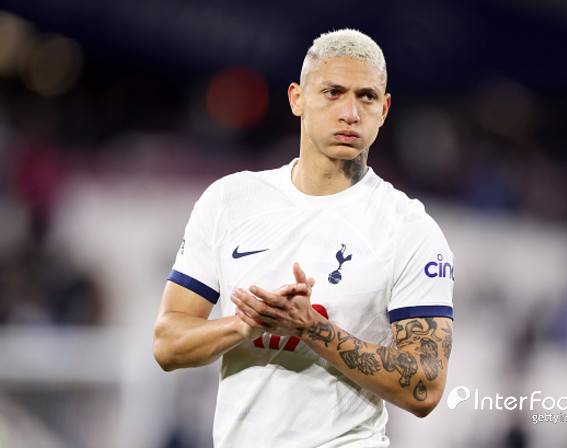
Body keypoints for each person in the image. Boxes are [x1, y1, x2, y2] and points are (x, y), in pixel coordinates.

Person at [153, 28, 455, 447]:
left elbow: (426, 386)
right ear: (297, 98)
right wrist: (245, 325)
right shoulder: (229, 201)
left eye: (366, 97)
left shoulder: (409, 229)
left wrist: (311, 328)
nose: (350, 113)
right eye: (333, 92)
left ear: (384, 109)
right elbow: (168, 343)